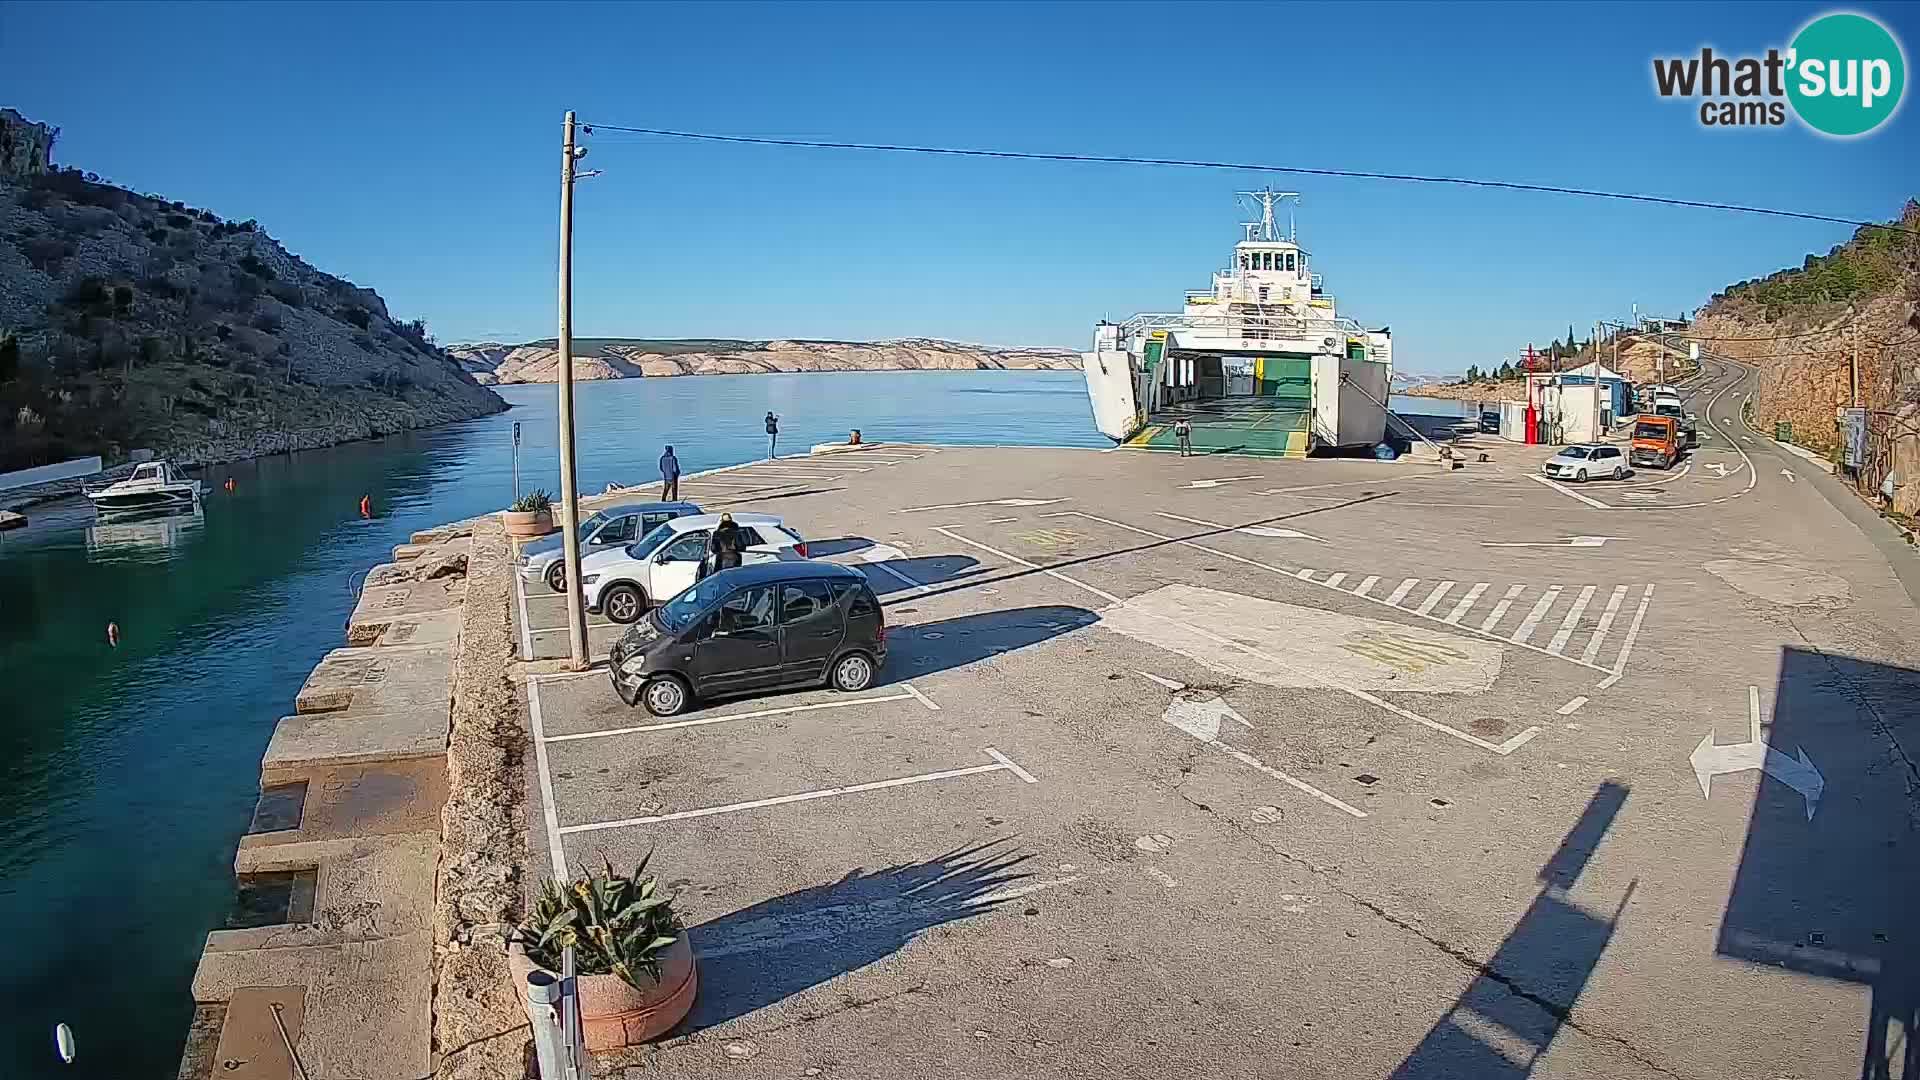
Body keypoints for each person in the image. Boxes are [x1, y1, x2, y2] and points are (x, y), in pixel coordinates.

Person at [698, 512, 744, 581]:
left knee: (721, 578)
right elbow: (741, 546)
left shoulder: (717, 533)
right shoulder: (736, 532)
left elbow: (714, 549)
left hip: (722, 558)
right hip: (734, 557)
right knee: (734, 578)